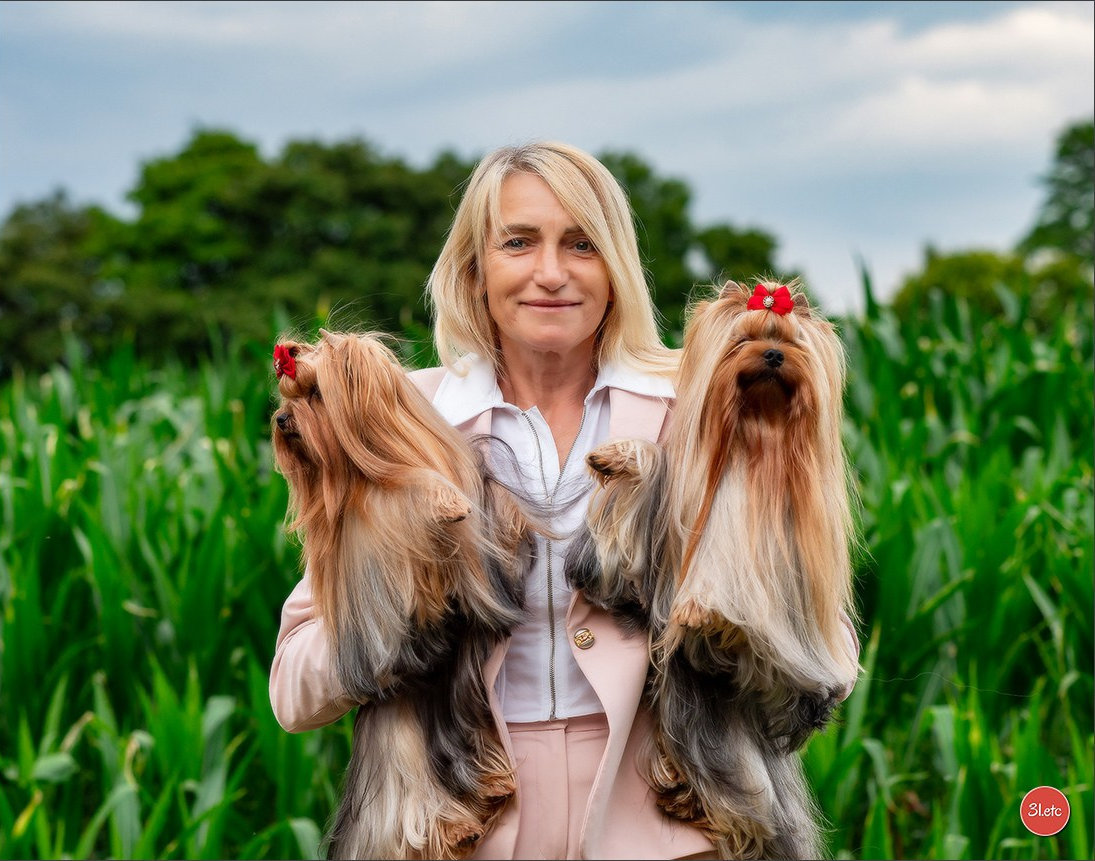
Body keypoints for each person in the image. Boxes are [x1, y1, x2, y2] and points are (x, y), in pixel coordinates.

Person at [269, 140, 859, 859]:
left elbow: (829, 651)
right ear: (473, 268)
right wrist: (398, 595)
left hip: (676, 831)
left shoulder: (697, 408)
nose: (551, 272)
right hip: (458, 829)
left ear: (616, 268)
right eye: (518, 242)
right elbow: (294, 693)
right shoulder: (398, 419)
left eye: (581, 243)